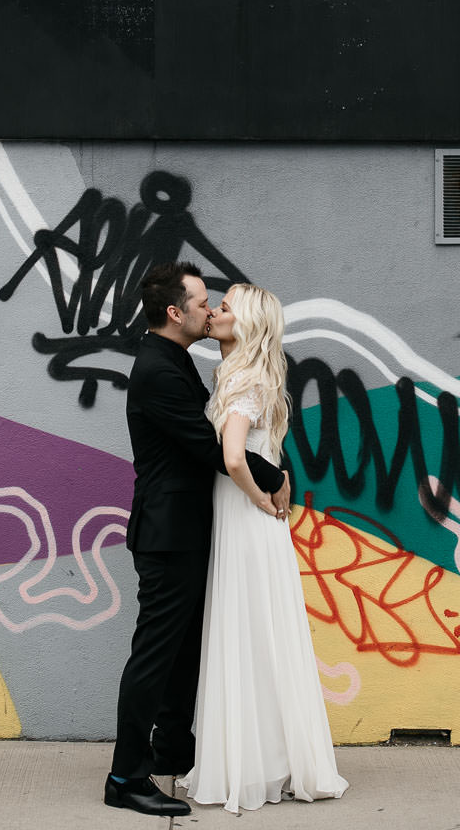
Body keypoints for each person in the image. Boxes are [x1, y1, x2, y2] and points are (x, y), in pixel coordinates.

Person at [105, 262, 293, 818]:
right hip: (168, 535)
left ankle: (172, 753)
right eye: (202, 302)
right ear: (175, 311)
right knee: (154, 656)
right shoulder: (157, 370)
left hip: (188, 530)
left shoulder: (178, 360)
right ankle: (126, 776)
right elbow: (210, 447)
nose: (209, 310)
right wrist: (277, 476)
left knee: (184, 654)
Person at [180, 283, 349, 813]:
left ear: (246, 324)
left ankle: (247, 764)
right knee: (260, 635)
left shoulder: (244, 380)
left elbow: (233, 458)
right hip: (254, 523)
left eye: (224, 308)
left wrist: (257, 498)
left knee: (244, 631)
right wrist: (270, 491)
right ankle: (267, 760)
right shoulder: (242, 376)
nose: (214, 312)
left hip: (246, 519)